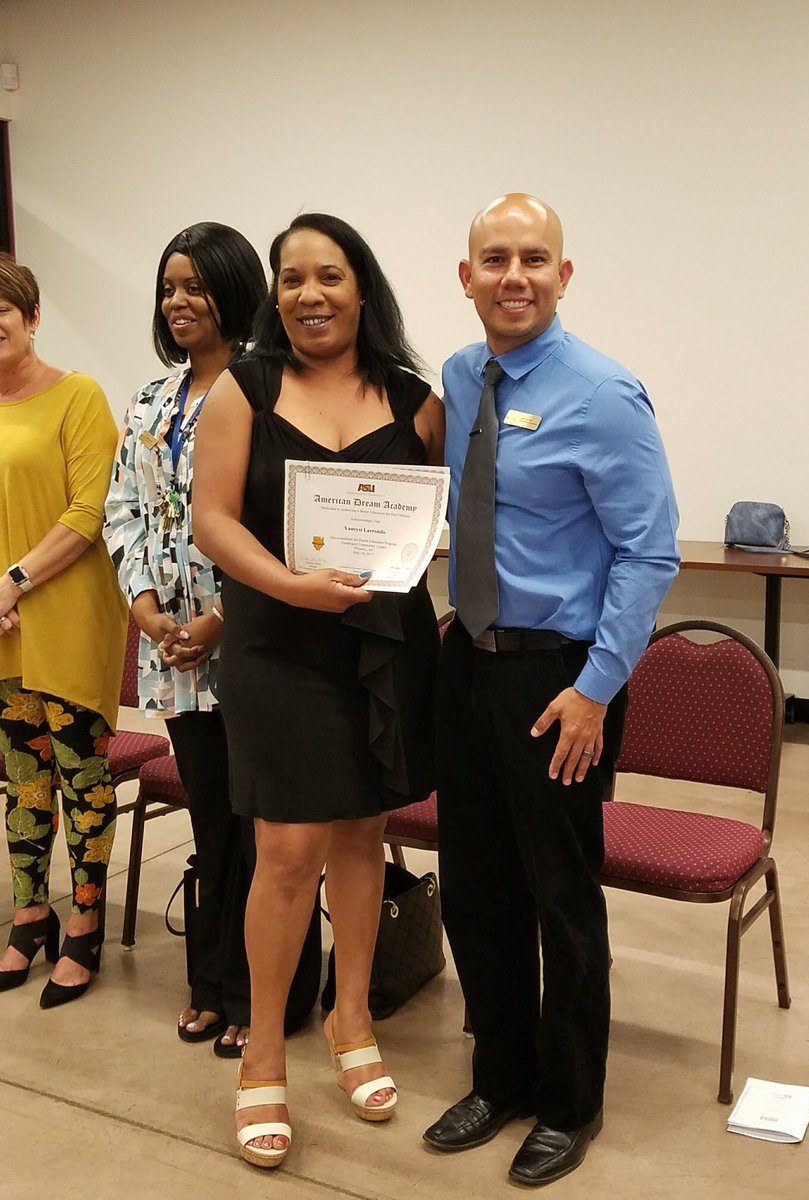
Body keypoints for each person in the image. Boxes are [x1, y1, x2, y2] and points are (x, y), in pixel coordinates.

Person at [423, 194, 680, 1186]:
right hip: (468, 660)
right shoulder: (458, 375)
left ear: (564, 277)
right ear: (467, 276)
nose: (514, 275)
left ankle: (570, 1103)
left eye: (535, 258)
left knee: (561, 898)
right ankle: (503, 1075)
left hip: (557, 681)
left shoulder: (605, 393)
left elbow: (648, 553)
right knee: (476, 889)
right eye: (495, 259)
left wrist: (595, 691)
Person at [192, 212, 444, 1169]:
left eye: (329, 276)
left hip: (381, 648)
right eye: (291, 278)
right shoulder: (243, 388)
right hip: (277, 643)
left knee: (361, 832)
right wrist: (291, 584)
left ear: (362, 287)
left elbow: (431, 515)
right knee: (288, 848)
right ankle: (263, 1052)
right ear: (274, 294)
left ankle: (350, 1020)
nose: (310, 295)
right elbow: (212, 520)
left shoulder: (416, 398)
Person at [105, 222, 272, 1055]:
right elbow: (124, 510)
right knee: (209, 820)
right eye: (169, 287)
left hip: (247, 646)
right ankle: (207, 983)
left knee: (255, 827)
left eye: (197, 286)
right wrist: (142, 602)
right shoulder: (149, 401)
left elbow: (279, 527)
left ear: (234, 290)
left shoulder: (265, 392)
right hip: (170, 651)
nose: (179, 302)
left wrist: (223, 619)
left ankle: (254, 994)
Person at [0, 253, 127, 1008]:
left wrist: (11, 581)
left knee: (79, 775)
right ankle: (28, 911)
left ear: (32, 317)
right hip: (3, 622)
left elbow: (89, 511)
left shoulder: (78, 396)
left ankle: (84, 920)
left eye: (2, 314)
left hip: (69, 609)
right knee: (20, 779)